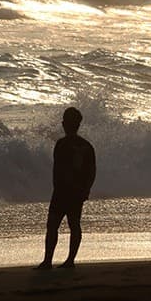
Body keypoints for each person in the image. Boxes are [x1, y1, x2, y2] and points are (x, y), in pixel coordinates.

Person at [35, 107, 96, 270]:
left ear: (65, 124)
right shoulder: (87, 146)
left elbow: (58, 170)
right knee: (74, 224)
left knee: (53, 225)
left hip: (62, 191)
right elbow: (92, 171)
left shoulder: (62, 144)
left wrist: (57, 188)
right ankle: (70, 260)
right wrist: (86, 190)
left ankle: (48, 261)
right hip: (77, 192)